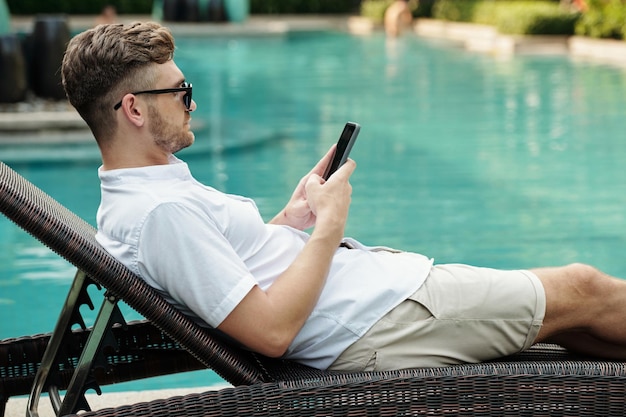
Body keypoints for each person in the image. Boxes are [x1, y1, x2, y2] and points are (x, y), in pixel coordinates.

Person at [61, 21, 626, 372]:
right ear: (134, 108)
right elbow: (272, 333)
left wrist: (293, 218)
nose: (191, 101)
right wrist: (328, 228)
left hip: (374, 302)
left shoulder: (149, 192)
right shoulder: (161, 214)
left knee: (575, 321)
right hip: (374, 325)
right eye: (180, 91)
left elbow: (240, 271)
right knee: (584, 288)